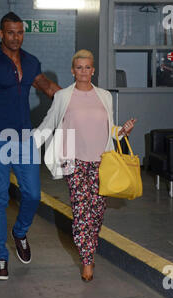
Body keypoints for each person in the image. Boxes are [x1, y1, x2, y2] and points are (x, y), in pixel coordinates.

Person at [0, 12, 61, 280]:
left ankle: (19, 233)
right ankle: (0, 258)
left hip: (25, 139)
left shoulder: (30, 61)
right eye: (10, 32)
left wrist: (78, 97)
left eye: (19, 32)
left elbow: (47, 86)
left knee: (32, 196)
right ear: (1, 34)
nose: (15, 37)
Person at [33, 49, 136, 282]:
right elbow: (49, 123)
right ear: (72, 70)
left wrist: (122, 131)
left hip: (103, 162)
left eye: (87, 67)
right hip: (74, 161)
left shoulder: (104, 96)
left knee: (97, 212)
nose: (83, 72)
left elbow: (110, 129)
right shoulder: (63, 96)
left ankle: (88, 245)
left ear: (93, 70)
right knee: (81, 212)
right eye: (79, 68)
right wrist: (29, 145)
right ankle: (87, 260)